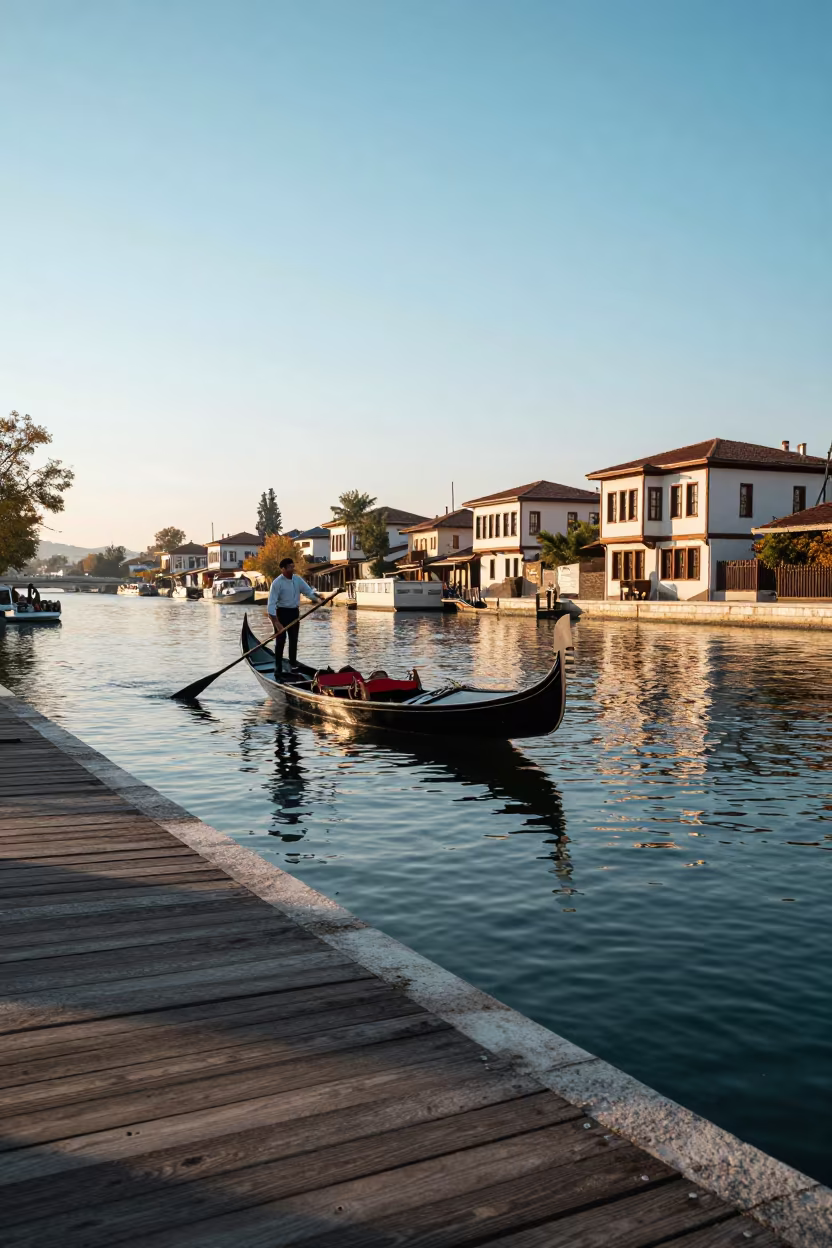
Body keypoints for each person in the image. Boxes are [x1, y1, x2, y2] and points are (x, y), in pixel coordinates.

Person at [267, 558, 323, 675]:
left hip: (294, 613)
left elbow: (308, 592)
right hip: (281, 613)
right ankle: (278, 666)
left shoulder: (297, 579)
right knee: (281, 640)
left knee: (293, 640)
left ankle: (292, 663)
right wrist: (276, 622)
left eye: (293, 567)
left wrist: (318, 599)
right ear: (283, 569)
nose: (292, 569)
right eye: (289, 567)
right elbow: (271, 605)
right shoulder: (277, 583)